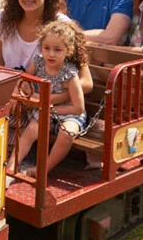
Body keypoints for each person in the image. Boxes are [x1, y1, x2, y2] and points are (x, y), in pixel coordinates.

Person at [7, 20, 87, 176]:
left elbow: (78, 108)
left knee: (67, 133)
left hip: (67, 113)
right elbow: (25, 79)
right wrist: (26, 86)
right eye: (46, 48)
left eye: (57, 50)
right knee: (31, 130)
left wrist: (50, 108)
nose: (51, 54)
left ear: (68, 51)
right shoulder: (38, 62)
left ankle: (43, 169)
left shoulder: (69, 75)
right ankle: (12, 166)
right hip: (43, 111)